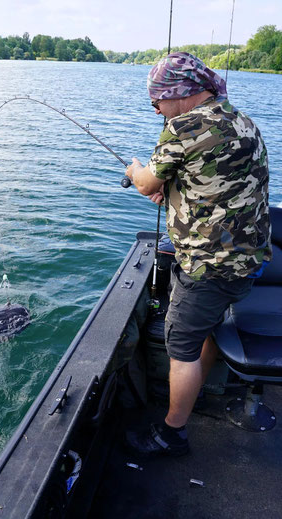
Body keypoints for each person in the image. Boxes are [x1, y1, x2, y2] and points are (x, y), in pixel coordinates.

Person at [125, 52, 271, 457]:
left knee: (180, 346)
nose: (155, 108)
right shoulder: (241, 119)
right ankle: (195, 393)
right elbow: (220, 183)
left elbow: (145, 182)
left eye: (157, 99)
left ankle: (173, 433)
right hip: (250, 261)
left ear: (181, 94)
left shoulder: (184, 125)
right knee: (205, 330)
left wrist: (137, 170)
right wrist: (173, 192)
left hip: (210, 266)